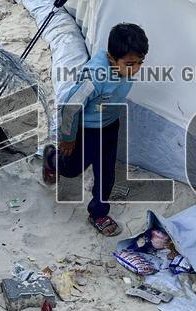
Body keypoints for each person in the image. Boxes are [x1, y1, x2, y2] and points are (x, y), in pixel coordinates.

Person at [42, 23, 148, 236]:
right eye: (130, 64)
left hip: (110, 126)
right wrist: (69, 138)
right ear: (111, 59)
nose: (135, 69)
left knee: (106, 172)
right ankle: (51, 158)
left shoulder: (124, 68)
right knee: (72, 169)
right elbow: (71, 106)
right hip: (87, 129)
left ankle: (98, 213)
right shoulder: (95, 76)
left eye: (139, 63)